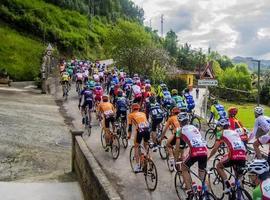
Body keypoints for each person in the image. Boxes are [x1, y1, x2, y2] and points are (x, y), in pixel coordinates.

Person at [208, 118, 247, 194]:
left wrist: (209, 157)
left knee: (219, 166)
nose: (219, 128)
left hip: (234, 154)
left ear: (222, 126)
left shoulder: (220, 133)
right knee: (239, 176)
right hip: (243, 154)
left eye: (219, 126)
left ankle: (227, 186)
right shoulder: (234, 132)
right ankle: (240, 194)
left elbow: (215, 148)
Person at [177, 112, 208, 199]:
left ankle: (190, 191)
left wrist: (176, 158)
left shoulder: (180, 131)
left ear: (179, 121)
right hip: (204, 150)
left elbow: (177, 147)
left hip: (195, 151)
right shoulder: (194, 127)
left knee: (184, 167)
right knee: (202, 174)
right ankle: (205, 192)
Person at [128, 103, 150, 172]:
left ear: (132, 109)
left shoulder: (130, 115)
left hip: (140, 130)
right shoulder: (143, 113)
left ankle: (137, 166)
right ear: (138, 108)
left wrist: (129, 136)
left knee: (136, 147)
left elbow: (129, 127)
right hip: (147, 130)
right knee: (145, 146)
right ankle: (150, 161)